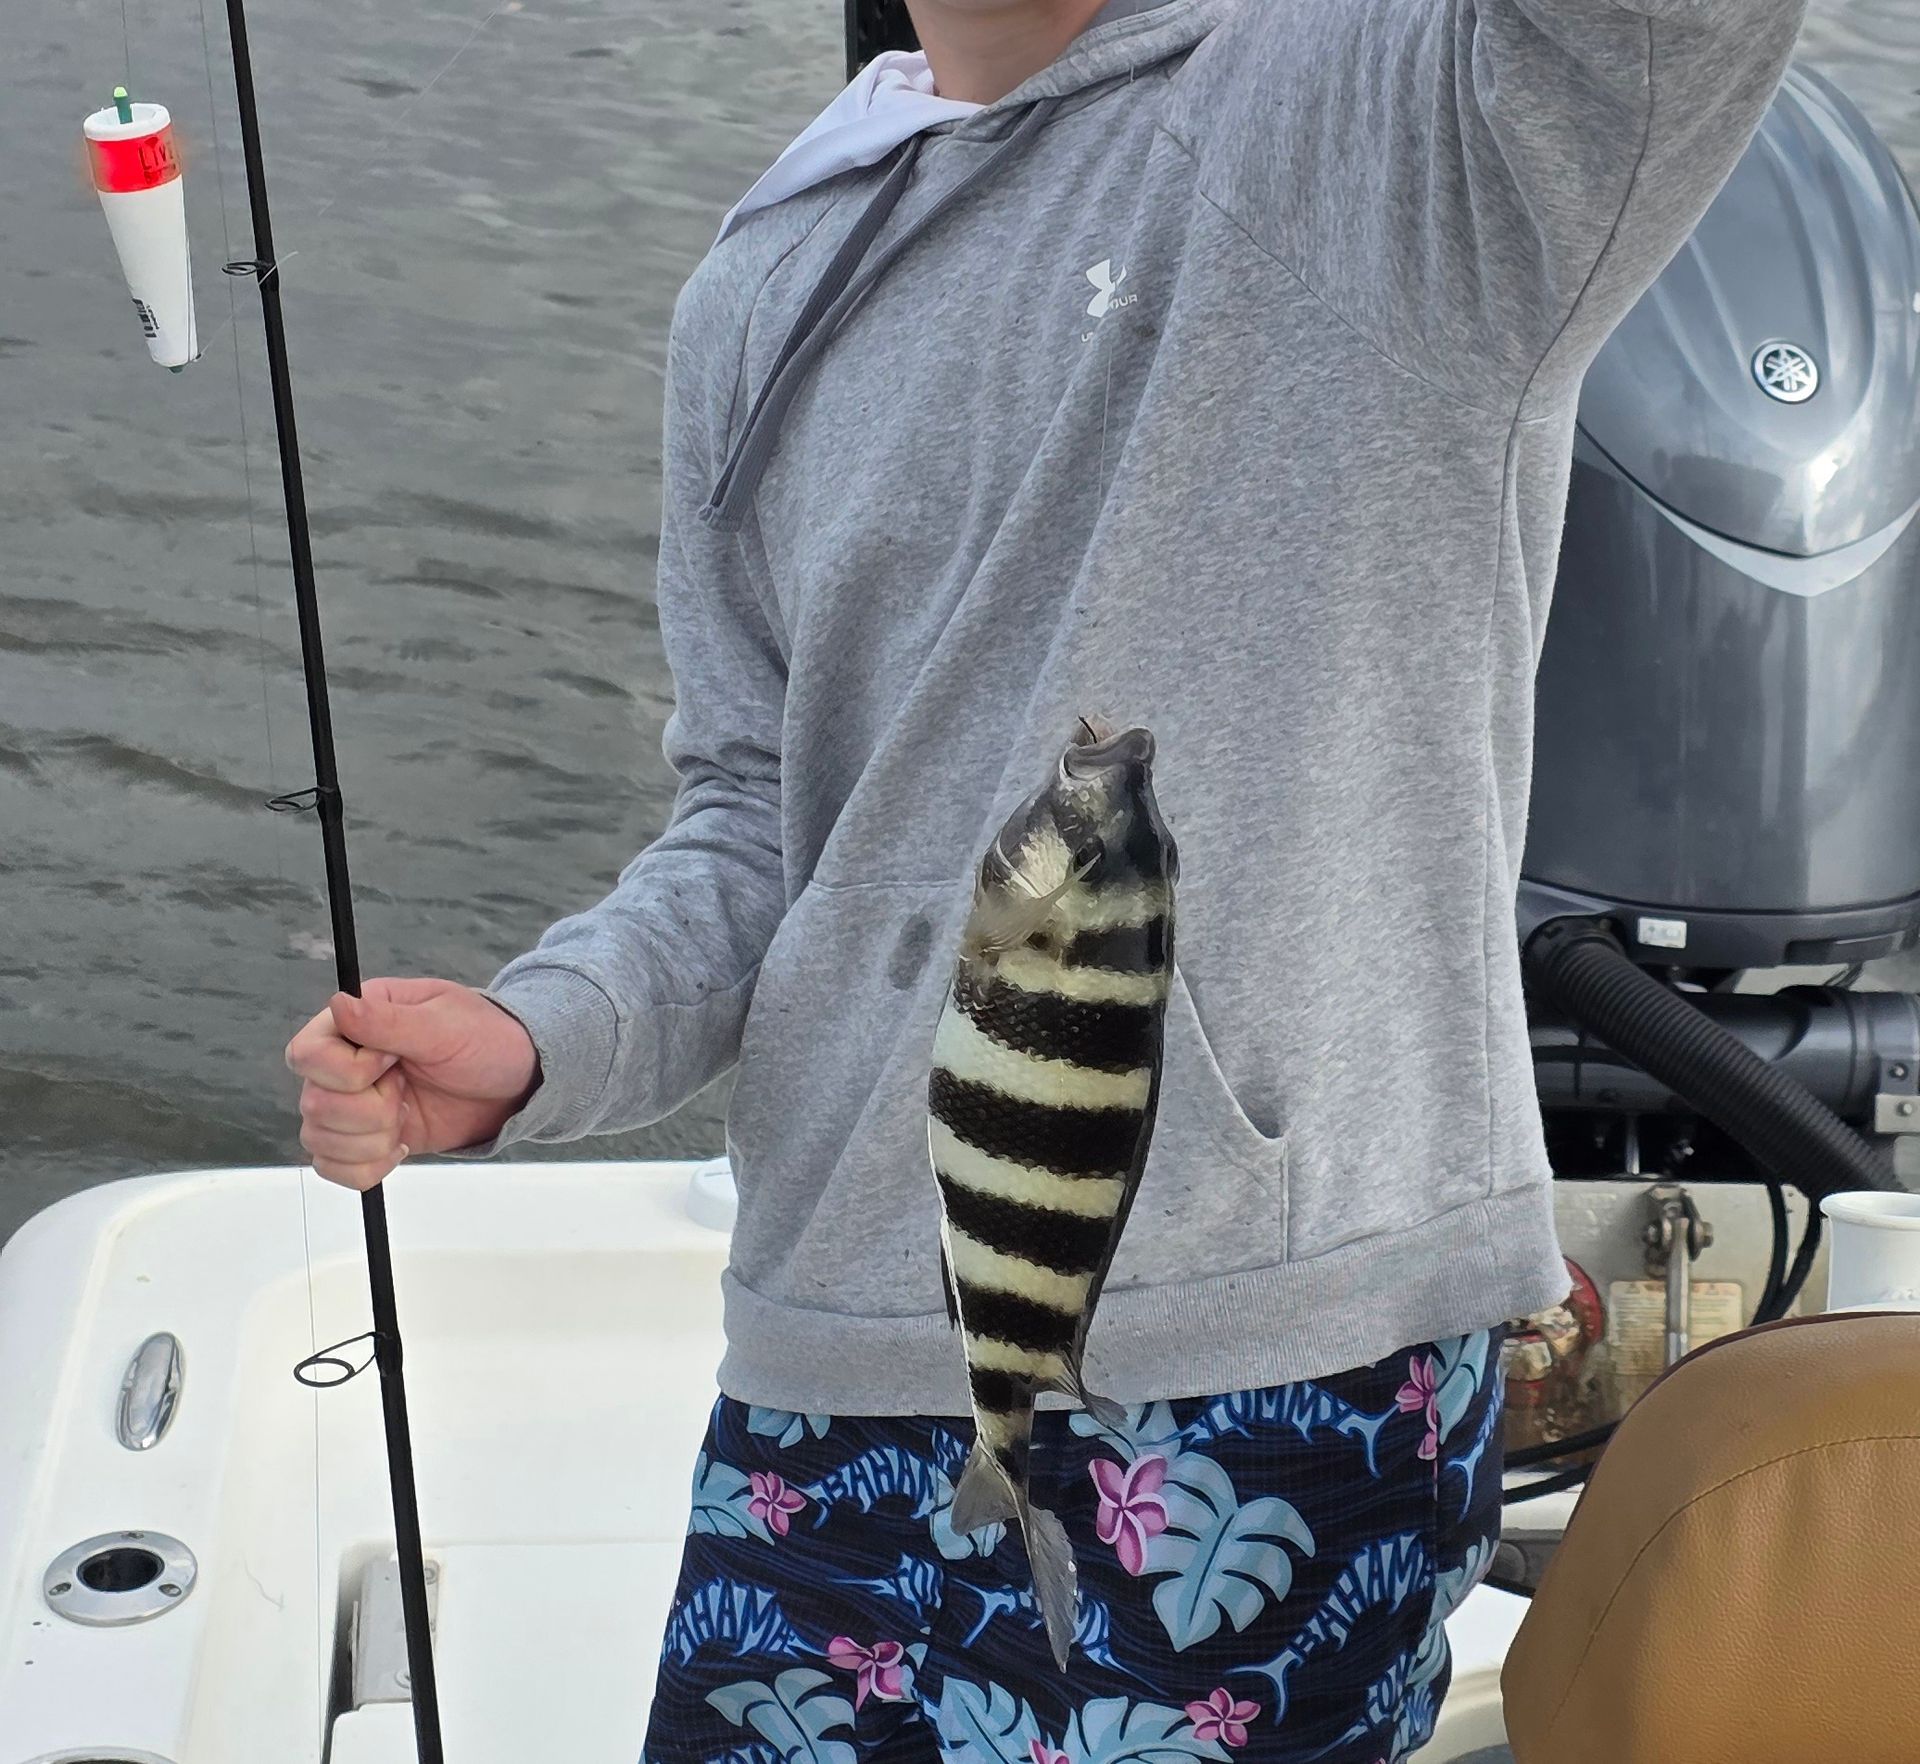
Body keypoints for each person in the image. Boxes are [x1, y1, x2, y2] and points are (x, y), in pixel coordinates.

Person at [286, 0, 1807, 1755]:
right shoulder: (770, 280)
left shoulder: (1408, 117)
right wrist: (543, 1032)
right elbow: (750, 818)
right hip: (823, 1367)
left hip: (1267, 1373)